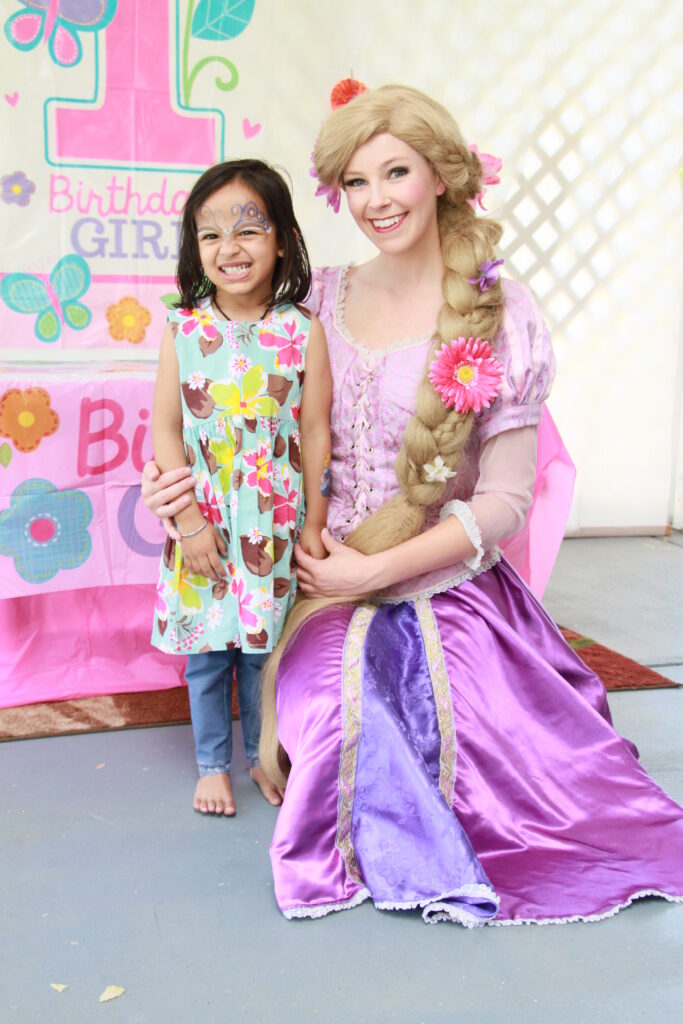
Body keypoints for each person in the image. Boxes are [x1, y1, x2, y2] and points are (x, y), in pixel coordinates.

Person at [144, 86, 683, 924]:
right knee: (340, 721)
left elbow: (504, 502)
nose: (376, 200)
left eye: (395, 172)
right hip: (320, 586)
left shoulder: (501, 312)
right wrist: (174, 492)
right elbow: (228, 421)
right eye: (355, 182)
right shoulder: (314, 302)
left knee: (514, 760)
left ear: (442, 175)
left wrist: (377, 570)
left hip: (448, 587)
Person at [151, 159, 332, 817]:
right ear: (195, 248)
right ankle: (211, 765)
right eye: (210, 234)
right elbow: (166, 429)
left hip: (273, 525)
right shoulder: (183, 329)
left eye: (248, 229)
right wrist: (189, 524)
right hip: (203, 524)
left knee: (264, 652)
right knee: (207, 653)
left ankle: (260, 755)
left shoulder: (301, 330)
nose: (229, 247)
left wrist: (313, 523)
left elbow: (315, 431)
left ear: (283, 239)